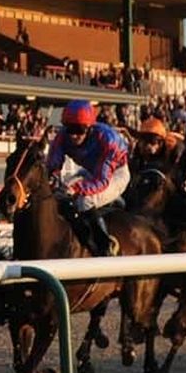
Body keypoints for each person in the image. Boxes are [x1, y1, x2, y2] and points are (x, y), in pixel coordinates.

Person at [45, 100, 130, 256]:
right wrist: (53, 178)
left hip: (115, 174)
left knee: (85, 200)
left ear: (90, 128)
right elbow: (52, 166)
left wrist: (76, 188)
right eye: (70, 129)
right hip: (90, 171)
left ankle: (104, 246)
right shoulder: (62, 136)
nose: (74, 135)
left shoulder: (108, 140)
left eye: (79, 130)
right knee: (59, 194)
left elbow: (102, 181)